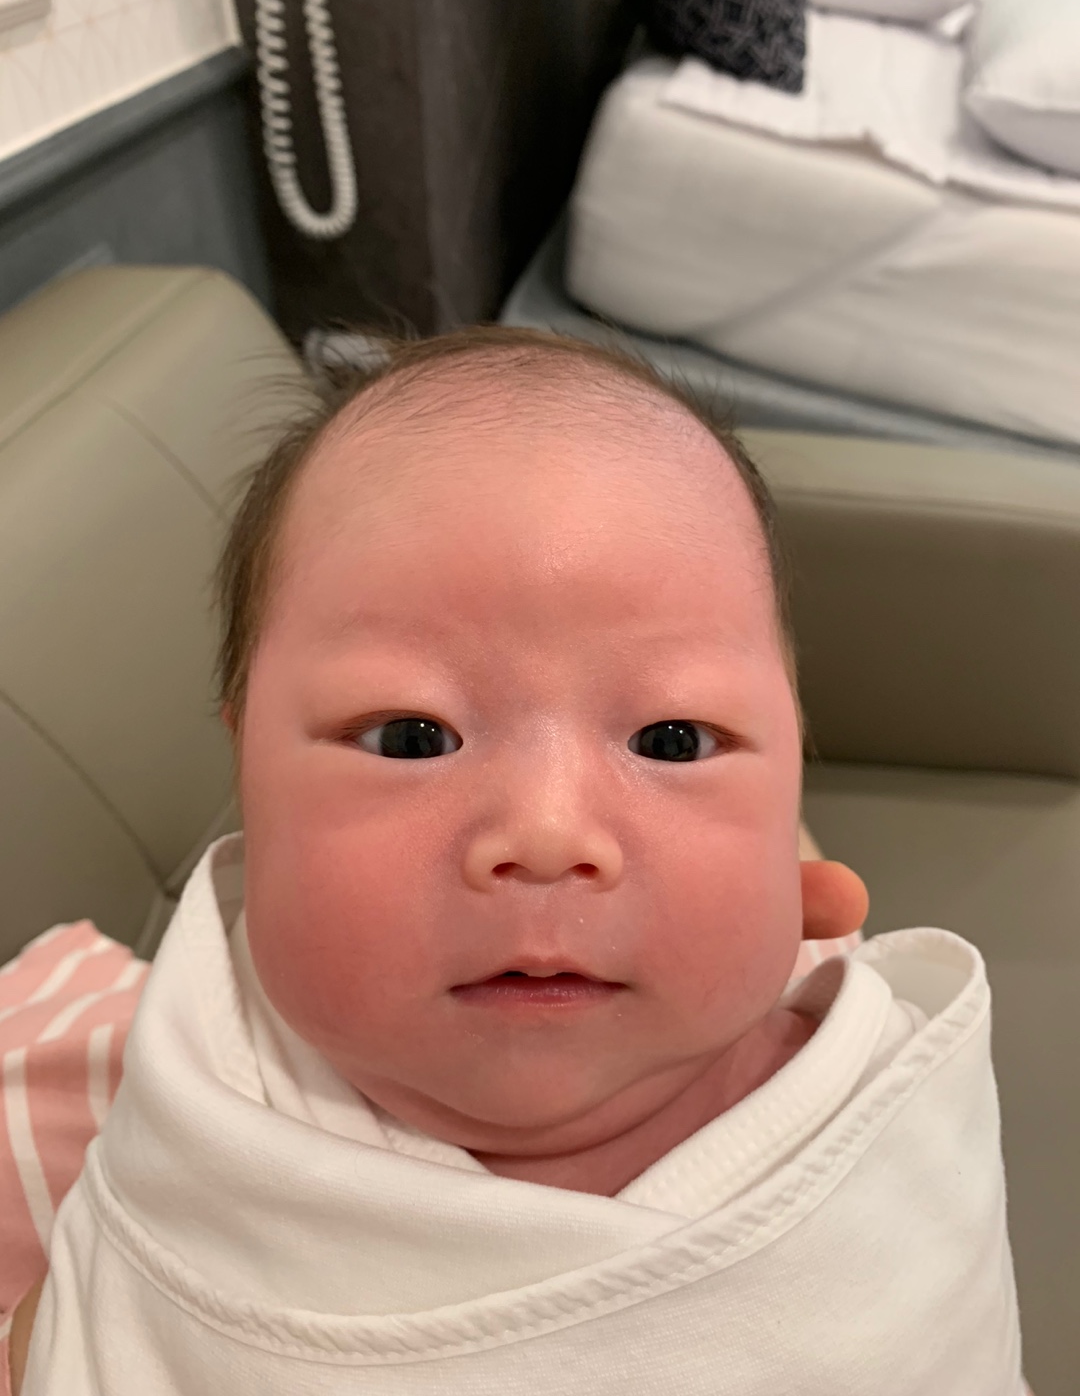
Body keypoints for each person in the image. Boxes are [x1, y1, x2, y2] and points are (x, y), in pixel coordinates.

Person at [7, 328, 1025, 1393]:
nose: (546, 834)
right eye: (411, 738)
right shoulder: (182, 1110)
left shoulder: (873, 1097)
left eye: (672, 741)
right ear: (245, 769)